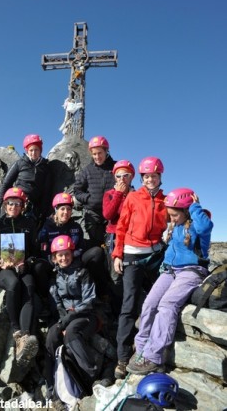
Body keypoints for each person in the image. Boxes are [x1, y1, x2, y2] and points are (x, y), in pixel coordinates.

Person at [126, 188, 213, 375]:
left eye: (174, 215)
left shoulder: (198, 224)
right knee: (149, 303)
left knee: (167, 304)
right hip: (169, 270)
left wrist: (195, 206)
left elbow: (206, 227)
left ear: (186, 211)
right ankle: (141, 348)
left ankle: (154, 356)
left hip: (192, 271)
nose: (171, 219)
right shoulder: (175, 227)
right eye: (170, 215)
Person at [112, 157, 168, 379]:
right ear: (142, 178)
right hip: (132, 255)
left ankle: (151, 351)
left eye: (153, 176)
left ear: (160, 177)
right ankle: (123, 358)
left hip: (155, 255)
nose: (150, 179)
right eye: (146, 176)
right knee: (129, 303)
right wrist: (117, 254)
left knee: (159, 303)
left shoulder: (166, 200)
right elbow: (121, 226)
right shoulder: (134, 197)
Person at [44, 235, 98, 402]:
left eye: (67, 254)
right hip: (65, 317)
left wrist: (67, 320)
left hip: (86, 316)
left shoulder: (83, 272)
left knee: (71, 333)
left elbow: (89, 301)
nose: (64, 258)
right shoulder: (55, 278)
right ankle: (51, 386)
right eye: (60, 255)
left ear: (72, 253)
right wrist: (62, 321)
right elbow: (58, 304)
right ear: (54, 258)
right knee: (52, 336)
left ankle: (91, 376)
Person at [0, 186, 41, 365]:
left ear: (23, 206)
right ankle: (17, 331)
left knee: (29, 286)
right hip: (4, 269)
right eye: (10, 203)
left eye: (18, 204)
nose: (14, 206)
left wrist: (27, 263)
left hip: (22, 267)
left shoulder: (29, 224)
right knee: (13, 285)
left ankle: (25, 337)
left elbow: (36, 252)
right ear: (5, 205)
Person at [38, 192, 109, 300]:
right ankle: (44, 298)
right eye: (62, 209)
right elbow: (43, 249)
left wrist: (72, 258)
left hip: (74, 261)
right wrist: (54, 261)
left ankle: (100, 293)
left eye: (69, 209)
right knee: (39, 267)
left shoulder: (75, 227)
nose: (66, 212)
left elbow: (81, 246)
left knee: (97, 252)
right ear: (56, 209)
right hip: (55, 264)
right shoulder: (47, 227)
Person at [0, 134, 52, 226]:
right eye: (31, 150)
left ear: (40, 150)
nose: (34, 153)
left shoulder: (46, 167)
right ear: (27, 150)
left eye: (37, 150)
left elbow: (46, 192)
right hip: (16, 202)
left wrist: (43, 212)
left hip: (33, 207)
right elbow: (6, 184)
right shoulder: (20, 163)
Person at [102, 160, 135, 314]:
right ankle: (119, 310)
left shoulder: (137, 195)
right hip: (113, 236)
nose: (122, 179)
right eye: (118, 176)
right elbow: (108, 214)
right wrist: (118, 194)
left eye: (125, 175)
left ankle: (131, 308)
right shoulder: (109, 194)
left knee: (132, 273)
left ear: (132, 177)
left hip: (132, 237)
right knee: (115, 275)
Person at [73, 135, 116, 249]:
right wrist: (88, 198)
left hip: (113, 214)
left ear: (106, 151)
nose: (97, 157)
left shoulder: (116, 168)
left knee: (111, 245)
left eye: (100, 153)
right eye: (94, 154)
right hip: (93, 215)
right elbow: (77, 190)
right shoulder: (86, 170)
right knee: (95, 247)